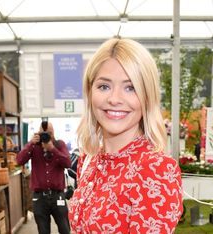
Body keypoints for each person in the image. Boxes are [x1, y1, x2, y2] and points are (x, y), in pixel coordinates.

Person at [68, 38, 183, 233]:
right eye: (104, 86)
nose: (114, 99)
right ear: (90, 92)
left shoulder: (156, 170)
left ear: (147, 97)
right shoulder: (89, 160)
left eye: (130, 88)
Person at [16, 120, 72, 234]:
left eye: (49, 133)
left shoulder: (59, 145)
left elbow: (68, 163)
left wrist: (53, 149)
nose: (46, 136)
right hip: (39, 197)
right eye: (43, 133)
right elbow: (19, 160)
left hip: (58, 196)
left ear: (53, 133)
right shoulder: (34, 147)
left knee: (65, 229)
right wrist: (31, 143)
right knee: (43, 230)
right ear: (38, 133)